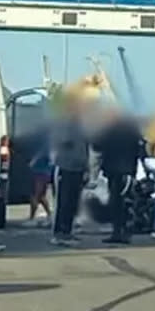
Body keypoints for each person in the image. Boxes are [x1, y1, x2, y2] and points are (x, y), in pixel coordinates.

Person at [91, 109, 144, 244]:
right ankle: (123, 230)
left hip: (114, 169)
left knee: (116, 201)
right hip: (127, 169)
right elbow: (139, 147)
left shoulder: (109, 129)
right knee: (125, 201)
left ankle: (118, 232)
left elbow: (97, 145)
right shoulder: (132, 128)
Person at [50, 93, 89, 246]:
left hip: (78, 167)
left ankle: (68, 231)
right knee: (64, 201)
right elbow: (64, 140)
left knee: (73, 201)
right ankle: (60, 233)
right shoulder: (66, 121)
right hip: (66, 166)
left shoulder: (81, 123)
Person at [27, 135, 53, 226]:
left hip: (40, 173)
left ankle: (32, 218)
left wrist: (33, 162)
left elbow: (39, 158)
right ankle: (49, 216)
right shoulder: (47, 145)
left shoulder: (42, 147)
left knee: (35, 195)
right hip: (44, 173)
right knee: (41, 196)